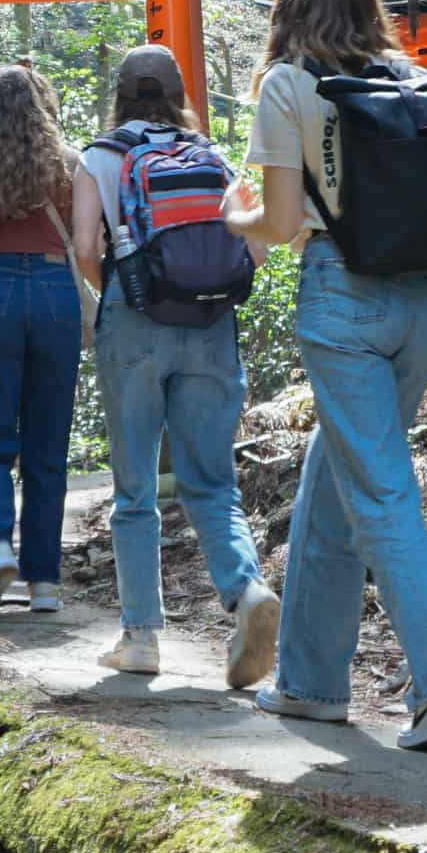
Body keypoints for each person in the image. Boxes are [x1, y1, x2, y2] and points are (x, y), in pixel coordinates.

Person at [225, 0, 427, 754]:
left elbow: (281, 223)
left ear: (291, 0)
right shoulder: (420, 83)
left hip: (345, 305)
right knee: (333, 475)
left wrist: (233, 215)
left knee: (381, 492)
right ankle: (310, 684)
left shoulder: (290, 86)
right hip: (422, 304)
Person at [74, 46, 279, 684]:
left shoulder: (100, 156)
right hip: (212, 324)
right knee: (214, 485)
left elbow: (86, 246)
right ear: (177, 94)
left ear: (120, 96)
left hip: (134, 322)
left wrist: (116, 286)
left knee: (135, 489)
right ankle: (247, 593)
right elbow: (259, 251)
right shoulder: (211, 157)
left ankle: (140, 637)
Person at [0, 60, 101, 617]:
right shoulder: (72, 164)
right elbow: (90, 248)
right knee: (47, 446)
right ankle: (45, 582)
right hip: (56, 292)